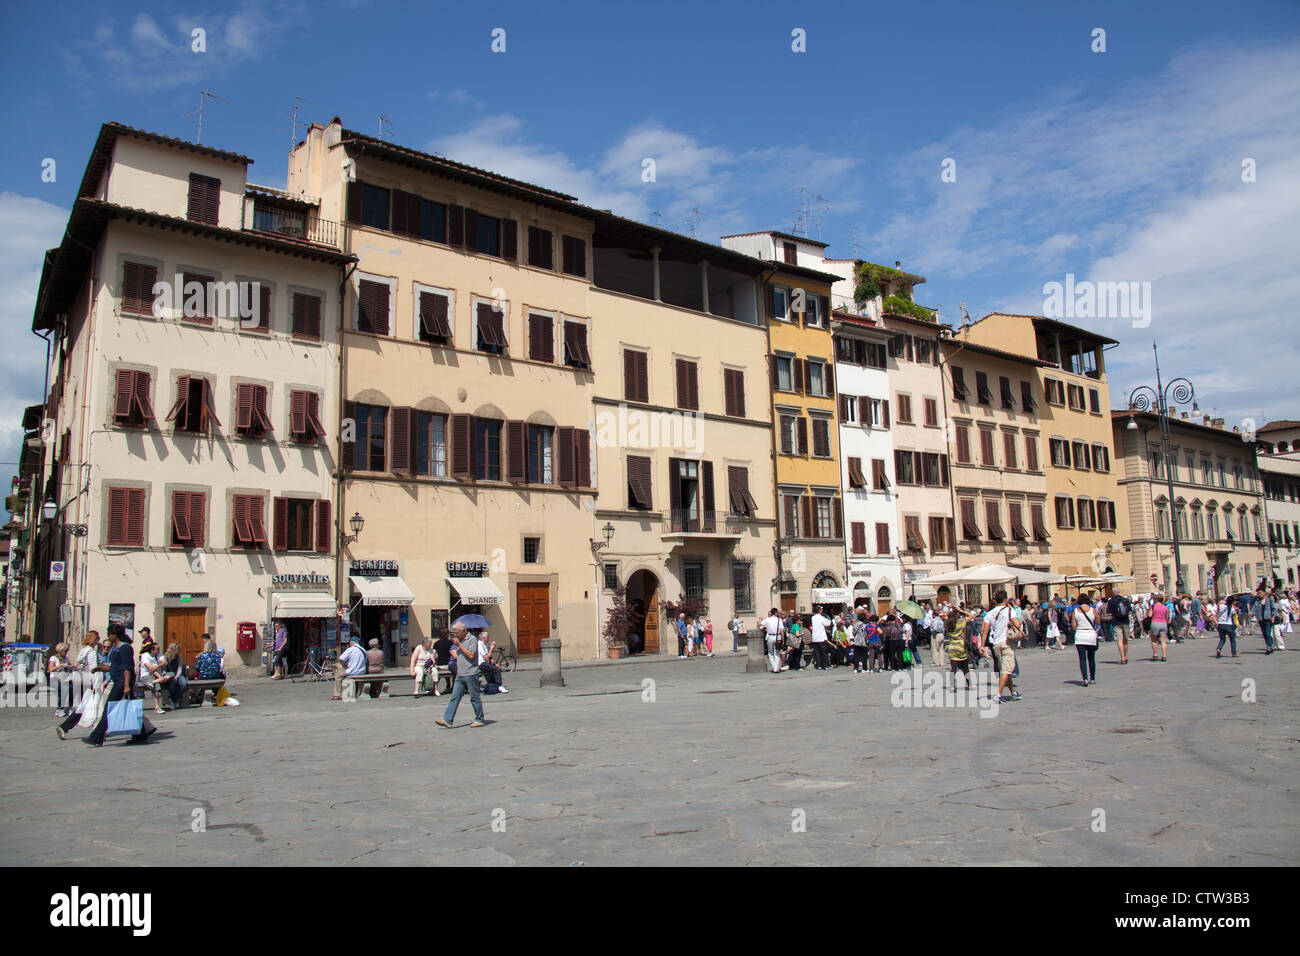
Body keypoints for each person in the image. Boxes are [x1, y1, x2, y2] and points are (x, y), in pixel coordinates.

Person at [84, 624, 156, 746]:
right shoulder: (115, 647)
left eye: (109, 634)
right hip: (118, 680)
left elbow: (127, 667)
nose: (108, 636)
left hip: (122, 682)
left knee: (108, 709)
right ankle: (142, 733)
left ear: (115, 635)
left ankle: (96, 737)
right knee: (130, 708)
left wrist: (127, 685)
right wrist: (100, 668)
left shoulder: (125, 648)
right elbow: (113, 666)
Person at [435, 623, 486, 728]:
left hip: (471, 673)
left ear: (463, 632)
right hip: (460, 673)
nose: (455, 635)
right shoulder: (459, 641)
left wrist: (459, 646)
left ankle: (479, 718)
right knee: (454, 697)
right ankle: (447, 720)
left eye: (457, 633)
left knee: (474, 697)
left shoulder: (472, 639)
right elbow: (457, 655)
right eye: (454, 633)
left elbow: (471, 655)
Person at [979, 590, 1022, 703]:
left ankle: (1013, 692)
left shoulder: (989, 613)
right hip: (1006, 643)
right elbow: (1018, 624)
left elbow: (984, 631)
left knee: (1004, 670)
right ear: (1005, 600)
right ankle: (998, 694)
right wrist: (1011, 622)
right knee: (1006, 670)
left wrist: (982, 646)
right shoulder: (1009, 610)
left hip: (995, 644)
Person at [1073, 594, 1101, 686]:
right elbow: (1097, 622)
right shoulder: (1093, 610)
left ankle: (1085, 678)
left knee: (1082, 659)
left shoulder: (1075, 611)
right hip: (1090, 634)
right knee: (1091, 658)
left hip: (1080, 634)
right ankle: (1092, 678)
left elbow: (1074, 626)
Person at [137, 640, 171, 714]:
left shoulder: (158, 655)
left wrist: (159, 676)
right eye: (157, 649)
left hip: (156, 675)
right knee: (156, 685)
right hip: (146, 675)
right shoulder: (145, 656)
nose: (159, 650)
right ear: (152, 650)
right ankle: (157, 706)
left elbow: (164, 662)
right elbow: (151, 669)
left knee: (170, 676)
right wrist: (159, 666)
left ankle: (154, 682)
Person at [945, 606, 972, 693]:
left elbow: (945, 616)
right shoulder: (961, 622)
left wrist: (949, 610)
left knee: (953, 669)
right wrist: (961, 610)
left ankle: (952, 686)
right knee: (965, 668)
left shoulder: (947, 623)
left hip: (952, 646)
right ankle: (969, 684)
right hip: (961, 646)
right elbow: (971, 616)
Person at [476, 628, 508, 693]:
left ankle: (494, 686)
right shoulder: (480, 644)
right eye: (487, 637)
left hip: (486, 663)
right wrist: (491, 649)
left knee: (496, 668)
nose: (488, 638)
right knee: (496, 669)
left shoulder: (485, 644)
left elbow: (489, 657)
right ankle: (499, 686)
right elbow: (486, 657)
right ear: (484, 638)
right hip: (482, 663)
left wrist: (495, 663)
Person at [47, 642, 74, 717]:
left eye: (66, 651)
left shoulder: (66, 659)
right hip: (54, 679)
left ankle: (69, 707)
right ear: (60, 650)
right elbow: (50, 669)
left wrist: (70, 667)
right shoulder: (54, 658)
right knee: (64, 689)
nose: (66, 653)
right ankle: (59, 709)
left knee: (71, 688)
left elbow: (69, 666)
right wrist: (60, 665)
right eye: (64, 651)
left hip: (64, 678)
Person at [1107, 591, 1132, 665]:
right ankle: (1125, 656)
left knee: (1119, 640)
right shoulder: (1125, 600)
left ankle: (1122, 657)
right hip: (1125, 622)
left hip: (1116, 622)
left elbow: (1109, 612)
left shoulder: (1111, 601)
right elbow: (1130, 611)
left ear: (1113, 593)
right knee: (1125, 640)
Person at [162, 642, 188, 708]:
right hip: (169, 674)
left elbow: (180, 668)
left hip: (177, 674)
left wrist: (177, 676)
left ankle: (174, 699)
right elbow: (164, 669)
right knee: (172, 685)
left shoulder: (178, 657)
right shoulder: (165, 657)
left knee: (183, 683)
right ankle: (173, 700)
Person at [1148, 593, 1170, 662]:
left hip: (1155, 623)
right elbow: (1167, 617)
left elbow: (1150, 615)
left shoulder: (1153, 606)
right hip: (1163, 623)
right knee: (1163, 641)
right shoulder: (1165, 607)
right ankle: (1164, 656)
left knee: (1154, 640)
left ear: (1156, 599)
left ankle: (1155, 655)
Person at [761, 609, 784, 673]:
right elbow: (782, 630)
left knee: (770, 653)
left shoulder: (767, 619)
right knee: (777, 652)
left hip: (770, 636)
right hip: (778, 636)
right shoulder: (779, 620)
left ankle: (774, 667)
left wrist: (760, 619)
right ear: (776, 613)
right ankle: (776, 668)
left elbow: (760, 623)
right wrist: (783, 638)